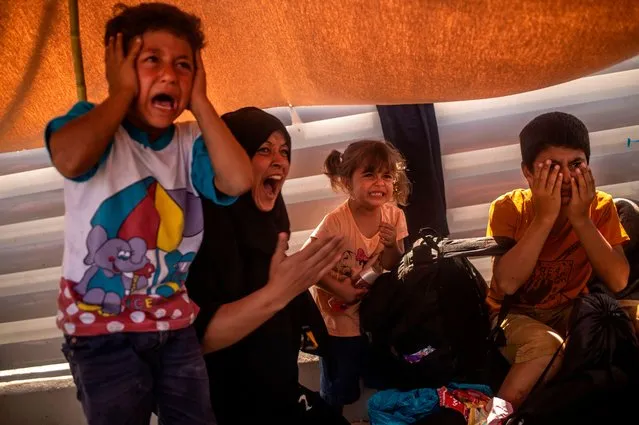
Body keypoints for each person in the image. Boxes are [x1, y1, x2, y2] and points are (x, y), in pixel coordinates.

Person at [46, 3, 253, 424]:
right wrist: (119, 92)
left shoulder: (190, 140)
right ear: (119, 68)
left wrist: (202, 102)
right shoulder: (93, 125)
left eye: (183, 65)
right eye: (151, 60)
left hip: (174, 327)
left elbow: (237, 181)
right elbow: (68, 159)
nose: (168, 75)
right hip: (99, 333)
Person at [185, 107, 348, 425]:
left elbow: (279, 281)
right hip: (220, 407)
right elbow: (193, 338)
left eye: (284, 150)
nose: (280, 161)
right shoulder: (191, 236)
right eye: (263, 149)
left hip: (279, 395)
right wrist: (278, 294)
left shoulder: (266, 231)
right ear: (229, 158)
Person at [486, 111, 639, 409]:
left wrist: (581, 219)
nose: (567, 177)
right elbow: (506, 284)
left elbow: (619, 280)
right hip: (513, 313)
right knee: (545, 347)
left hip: (571, 307)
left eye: (576, 165)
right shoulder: (509, 208)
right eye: (552, 167)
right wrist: (545, 218)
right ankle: (494, 417)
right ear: (528, 173)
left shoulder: (600, 206)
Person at [307, 140, 410, 412]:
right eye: (369, 175)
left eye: (386, 176)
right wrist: (340, 290)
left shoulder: (394, 215)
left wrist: (391, 246)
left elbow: (392, 264)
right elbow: (307, 266)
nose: (379, 183)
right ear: (346, 181)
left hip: (374, 317)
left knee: (380, 376)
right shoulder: (335, 223)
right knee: (339, 387)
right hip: (338, 321)